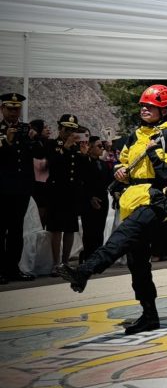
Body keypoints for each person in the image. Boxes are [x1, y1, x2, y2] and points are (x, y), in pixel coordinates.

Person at [56, 84, 167, 335]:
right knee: (137, 263)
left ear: (165, 110)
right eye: (143, 105)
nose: (144, 109)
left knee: (119, 238)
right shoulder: (136, 135)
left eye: (150, 106)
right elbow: (123, 162)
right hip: (133, 199)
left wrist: (154, 156)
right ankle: (149, 315)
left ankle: (84, 271)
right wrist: (119, 172)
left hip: (156, 200)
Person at [42, 115, 88, 275]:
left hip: (72, 193)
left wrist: (84, 155)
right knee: (56, 229)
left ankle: (65, 262)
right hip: (56, 192)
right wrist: (66, 148)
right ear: (60, 128)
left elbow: (81, 171)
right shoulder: (52, 144)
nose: (70, 133)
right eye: (67, 129)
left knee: (70, 228)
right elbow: (52, 164)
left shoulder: (77, 147)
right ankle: (56, 263)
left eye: (73, 130)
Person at [0, 92, 39, 283]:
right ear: (2, 109)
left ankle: (13, 268)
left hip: (21, 188)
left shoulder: (26, 130)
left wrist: (34, 139)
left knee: (16, 230)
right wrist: (7, 142)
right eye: (10, 108)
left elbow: (40, 154)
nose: (14, 112)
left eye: (17, 109)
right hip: (2, 189)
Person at [80, 136, 113, 264]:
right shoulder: (85, 163)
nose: (102, 148)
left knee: (99, 230)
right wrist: (90, 197)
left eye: (102, 146)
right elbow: (82, 182)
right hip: (89, 201)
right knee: (89, 231)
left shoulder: (103, 164)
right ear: (90, 148)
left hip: (103, 199)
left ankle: (97, 257)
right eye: (99, 146)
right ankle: (88, 257)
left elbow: (109, 180)